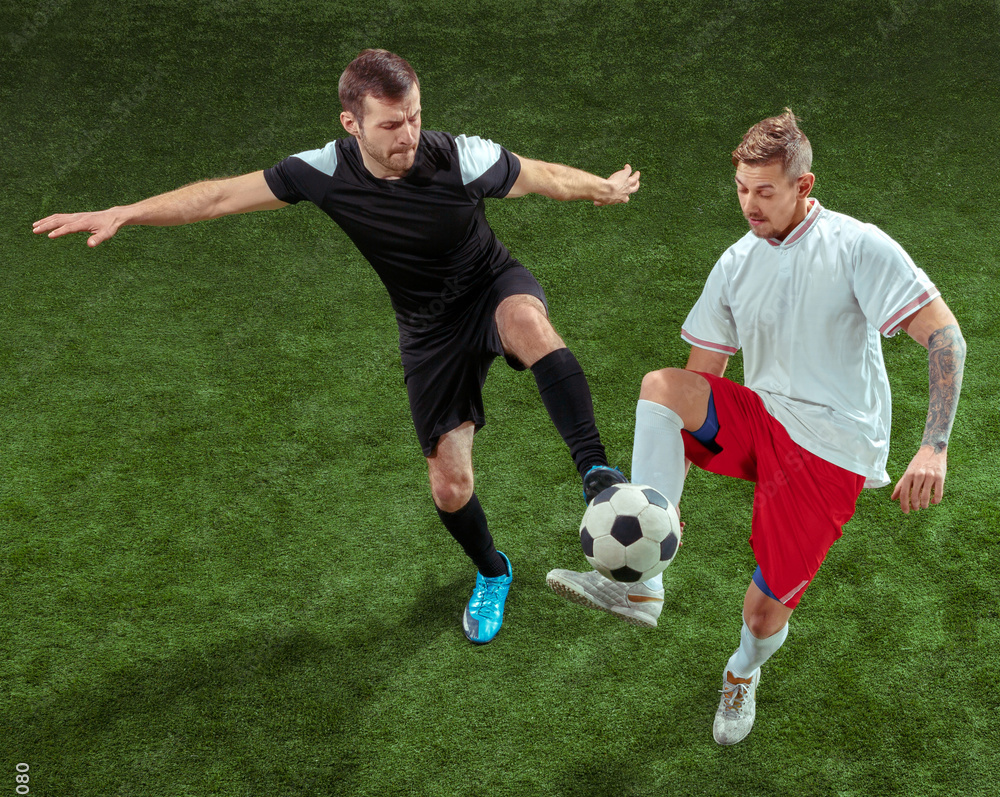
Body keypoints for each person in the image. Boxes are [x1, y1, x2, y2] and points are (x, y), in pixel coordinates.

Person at [33, 48, 638, 645]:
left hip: (490, 284)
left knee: (530, 324)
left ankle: (597, 475)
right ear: (352, 124)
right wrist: (126, 211)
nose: (409, 135)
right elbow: (216, 198)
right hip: (428, 329)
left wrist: (602, 189)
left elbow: (543, 176)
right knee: (450, 487)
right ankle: (492, 570)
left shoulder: (460, 156)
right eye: (391, 124)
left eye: (416, 117)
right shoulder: (323, 171)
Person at [547, 109, 966, 745]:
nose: (749, 204)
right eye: (742, 189)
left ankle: (742, 672)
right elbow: (699, 379)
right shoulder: (737, 262)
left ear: (804, 185)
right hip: (764, 417)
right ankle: (641, 588)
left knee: (763, 609)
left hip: (832, 450)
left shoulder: (858, 245)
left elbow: (944, 334)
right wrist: (661, 500)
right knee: (661, 387)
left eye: (765, 191)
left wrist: (933, 446)